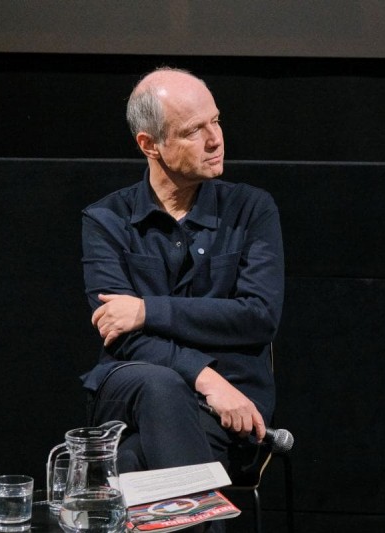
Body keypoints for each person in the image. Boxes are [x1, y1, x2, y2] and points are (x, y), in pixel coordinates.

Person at [80, 67, 284, 479]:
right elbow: (121, 337)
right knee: (159, 384)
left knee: (130, 463)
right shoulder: (106, 220)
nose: (215, 139)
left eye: (217, 121)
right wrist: (205, 377)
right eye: (194, 130)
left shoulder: (251, 210)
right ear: (150, 144)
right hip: (139, 388)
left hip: (232, 401)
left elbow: (258, 316)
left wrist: (147, 311)